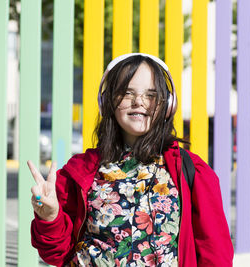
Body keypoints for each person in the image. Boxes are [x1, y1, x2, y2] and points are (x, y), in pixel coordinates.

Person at [28, 53, 234, 267]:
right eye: (127, 93)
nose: (139, 102)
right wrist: (50, 217)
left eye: (151, 94)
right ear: (108, 101)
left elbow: (216, 254)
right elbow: (55, 254)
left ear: (167, 105)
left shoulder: (190, 170)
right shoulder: (80, 171)